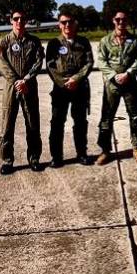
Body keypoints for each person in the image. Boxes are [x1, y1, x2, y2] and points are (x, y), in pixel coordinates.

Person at [0, 10, 45, 174]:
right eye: (16, 19)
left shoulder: (34, 42)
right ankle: (7, 160)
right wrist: (16, 81)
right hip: (11, 87)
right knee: (7, 124)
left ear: (26, 21)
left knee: (32, 123)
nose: (19, 21)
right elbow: (1, 63)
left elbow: (38, 63)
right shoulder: (4, 41)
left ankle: (34, 158)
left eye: (23, 19)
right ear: (11, 21)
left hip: (29, 86)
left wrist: (26, 80)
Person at [95, 11, 137, 164]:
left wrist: (129, 73)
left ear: (127, 21)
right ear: (113, 21)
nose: (120, 22)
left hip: (130, 83)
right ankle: (105, 150)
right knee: (106, 118)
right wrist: (113, 75)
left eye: (124, 20)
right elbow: (101, 61)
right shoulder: (105, 40)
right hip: (112, 85)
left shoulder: (134, 40)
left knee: (135, 117)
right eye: (118, 19)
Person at [46, 11, 95, 167]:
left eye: (70, 22)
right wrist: (63, 82)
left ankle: (82, 153)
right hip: (60, 89)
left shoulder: (83, 42)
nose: (67, 25)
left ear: (75, 23)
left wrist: (76, 79)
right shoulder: (53, 43)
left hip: (79, 88)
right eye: (63, 22)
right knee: (57, 123)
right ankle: (56, 157)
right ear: (59, 25)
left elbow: (89, 62)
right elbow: (50, 65)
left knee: (80, 122)